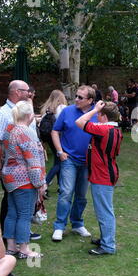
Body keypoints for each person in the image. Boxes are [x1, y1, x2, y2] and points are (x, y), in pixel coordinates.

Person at [0, 80, 41, 240]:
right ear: (17, 92)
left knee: (17, 207)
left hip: (20, 170)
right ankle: (9, 237)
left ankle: (16, 235)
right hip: (18, 171)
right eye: (27, 91)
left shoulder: (22, 111)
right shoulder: (2, 114)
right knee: (12, 206)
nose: (30, 94)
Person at [75, 100, 123, 255]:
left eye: (99, 114)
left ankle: (108, 246)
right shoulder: (115, 129)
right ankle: (105, 239)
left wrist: (94, 109)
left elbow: (80, 121)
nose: (96, 117)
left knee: (104, 211)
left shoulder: (103, 130)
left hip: (102, 176)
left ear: (103, 116)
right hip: (107, 172)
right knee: (104, 209)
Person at [51, 85, 97, 242]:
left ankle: (77, 223)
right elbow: (55, 131)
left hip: (88, 161)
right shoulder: (67, 111)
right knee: (66, 192)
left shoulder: (96, 114)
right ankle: (59, 226)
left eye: (80, 97)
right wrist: (59, 151)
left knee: (82, 195)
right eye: (76, 96)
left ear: (90, 100)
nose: (76, 99)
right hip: (69, 159)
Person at [1, 101, 46, 259]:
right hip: (24, 180)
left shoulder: (9, 130)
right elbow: (33, 163)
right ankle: (24, 249)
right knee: (24, 215)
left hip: (9, 178)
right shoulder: (26, 132)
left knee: (12, 213)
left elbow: (4, 154)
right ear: (29, 115)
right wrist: (40, 183)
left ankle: (11, 247)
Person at [39, 90, 68, 191]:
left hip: (48, 137)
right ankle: (45, 183)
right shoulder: (62, 108)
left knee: (58, 160)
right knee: (59, 163)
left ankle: (60, 186)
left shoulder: (46, 109)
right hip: (58, 137)